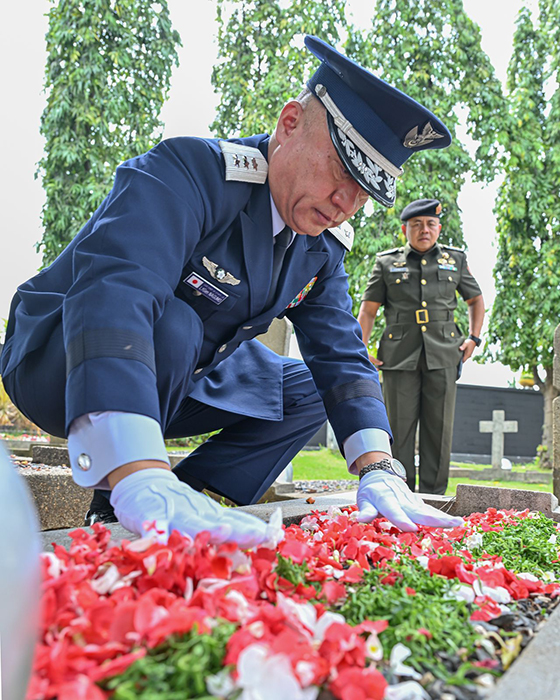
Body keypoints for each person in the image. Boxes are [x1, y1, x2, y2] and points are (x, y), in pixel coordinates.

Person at [1, 36, 464, 547]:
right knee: (175, 325)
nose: (344, 203)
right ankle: (121, 502)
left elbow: (342, 353)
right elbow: (116, 289)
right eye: (341, 172)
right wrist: (136, 468)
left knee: (313, 389)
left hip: (185, 374)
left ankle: (198, 500)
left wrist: (380, 466)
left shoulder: (321, 244)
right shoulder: (189, 173)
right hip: (65, 358)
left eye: (364, 192)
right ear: (290, 124)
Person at [357, 199, 485, 494]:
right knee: (398, 432)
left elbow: (475, 300)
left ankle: (432, 498)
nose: (424, 230)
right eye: (416, 224)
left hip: (444, 354)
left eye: (430, 224)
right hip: (399, 357)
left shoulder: (456, 260)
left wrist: (474, 337)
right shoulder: (387, 262)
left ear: (438, 228)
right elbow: (368, 310)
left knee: (438, 431)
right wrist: (361, 349)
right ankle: (398, 493)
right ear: (405, 229)